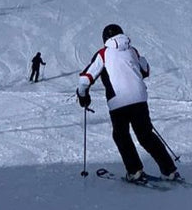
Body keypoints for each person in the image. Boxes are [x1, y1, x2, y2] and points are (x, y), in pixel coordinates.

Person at [77, 24, 181, 184]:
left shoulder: (103, 54)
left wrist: (83, 96)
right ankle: (170, 170)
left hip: (118, 101)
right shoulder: (132, 50)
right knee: (146, 135)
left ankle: (135, 171)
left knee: (121, 135)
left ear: (105, 38)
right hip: (139, 98)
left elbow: (85, 79)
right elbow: (145, 70)